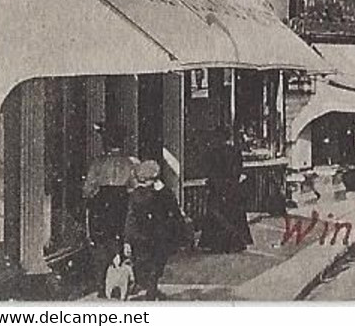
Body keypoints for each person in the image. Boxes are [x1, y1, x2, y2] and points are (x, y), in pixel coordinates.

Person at [83, 128, 138, 294]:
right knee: (122, 239)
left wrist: (90, 196)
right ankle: (122, 280)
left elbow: (88, 188)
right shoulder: (130, 163)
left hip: (102, 204)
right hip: (121, 202)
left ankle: (102, 284)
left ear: (105, 143)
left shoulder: (98, 162)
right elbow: (134, 186)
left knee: (101, 242)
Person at [123, 161, 188, 300]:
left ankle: (147, 286)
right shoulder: (164, 194)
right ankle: (151, 290)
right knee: (156, 263)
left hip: (139, 235)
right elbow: (174, 211)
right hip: (159, 234)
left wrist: (127, 240)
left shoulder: (135, 195)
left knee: (142, 262)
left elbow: (130, 218)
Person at [198, 124, 251, 252]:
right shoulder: (235, 151)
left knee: (217, 214)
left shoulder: (213, 152)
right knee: (233, 214)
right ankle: (235, 242)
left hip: (217, 186)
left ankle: (217, 244)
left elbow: (208, 170)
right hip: (232, 187)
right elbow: (238, 170)